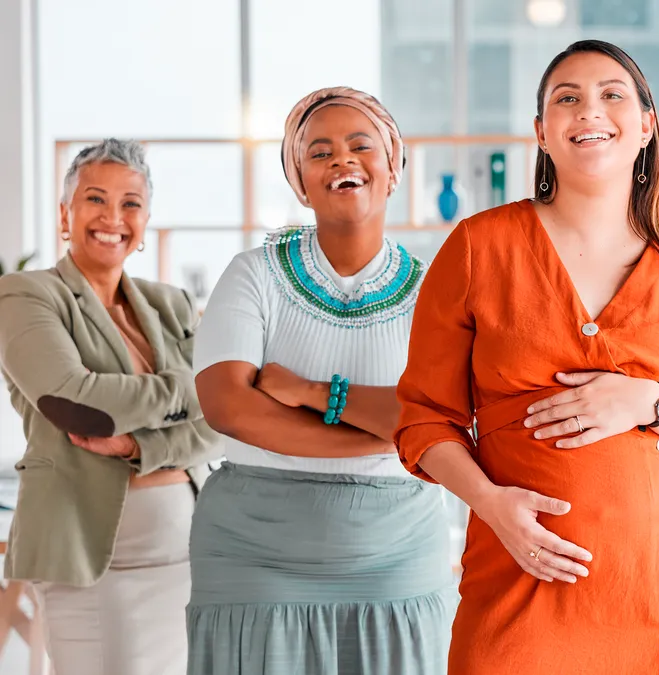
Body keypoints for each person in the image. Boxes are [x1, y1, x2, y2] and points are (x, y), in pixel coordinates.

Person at [394, 40, 659, 674]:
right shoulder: (476, 248)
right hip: (522, 588)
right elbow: (422, 421)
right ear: (542, 132)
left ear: (646, 126)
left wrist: (651, 403)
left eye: (612, 94)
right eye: (567, 98)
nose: (589, 110)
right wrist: (491, 506)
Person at [188, 86, 454, 674]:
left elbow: (439, 415)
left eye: (362, 145)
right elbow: (228, 407)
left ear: (393, 170)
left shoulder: (437, 290)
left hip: (398, 557)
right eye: (319, 152)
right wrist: (381, 432)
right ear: (300, 181)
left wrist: (313, 394)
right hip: (254, 554)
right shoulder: (252, 274)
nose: (342, 160)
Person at [0, 139, 222, 675]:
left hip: (187, 554)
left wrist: (137, 445)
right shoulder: (26, 295)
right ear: (65, 214)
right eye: (95, 199)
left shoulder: (168, 303)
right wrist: (192, 388)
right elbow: (78, 404)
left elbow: (223, 420)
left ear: (145, 220)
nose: (113, 217)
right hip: (92, 556)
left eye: (130, 203)